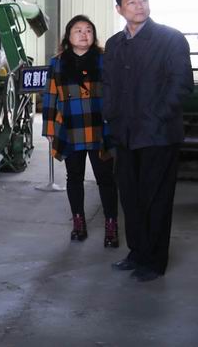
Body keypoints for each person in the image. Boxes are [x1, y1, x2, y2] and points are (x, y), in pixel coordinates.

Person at [103, 0, 193, 282]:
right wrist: (111, 116)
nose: (139, 6)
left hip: (159, 134)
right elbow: (109, 85)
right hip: (125, 134)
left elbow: (181, 84)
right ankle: (137, 252)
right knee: (130, 198)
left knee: (156, 198)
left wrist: (156, 117)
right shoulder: (115, 44)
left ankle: (154, 262)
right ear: (119, 9)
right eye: (131, 1)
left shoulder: (170, 39)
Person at [42, 15, 119, 247]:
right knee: (74, 177)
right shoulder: (58, 63)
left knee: (105, 178)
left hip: (100, 127)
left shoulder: (105, 59)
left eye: (88, 30)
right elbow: (50, 96)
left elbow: (116, 93)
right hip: (70, 127)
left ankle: (111, 225)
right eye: (78, 30)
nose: (84, 34)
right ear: (68, 36)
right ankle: (79, 222)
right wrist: (49, 127)